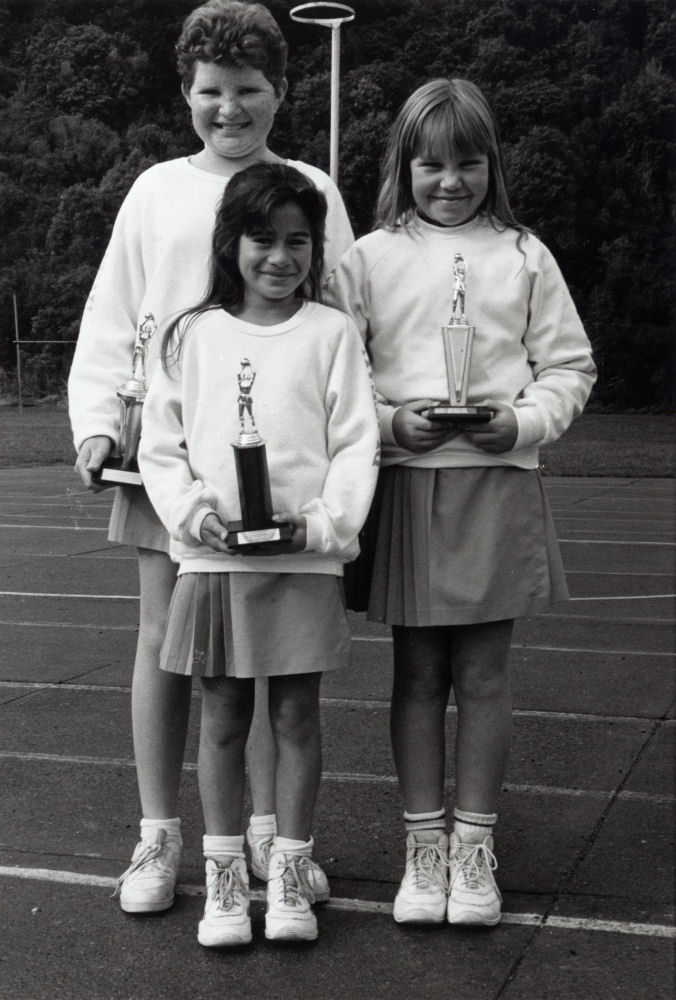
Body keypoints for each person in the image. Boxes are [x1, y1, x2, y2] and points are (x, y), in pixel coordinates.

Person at [67, 0, 354, 916]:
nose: (230, 109)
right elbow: (114, 314)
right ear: (186, 91)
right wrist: (95, 424)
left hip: (283, 462)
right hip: (172, 458)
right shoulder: (155, 190)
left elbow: (349, 308)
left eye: (250, 91)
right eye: (211, 91)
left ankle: (270, 833)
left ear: (281, 91)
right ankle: (159, 835)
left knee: (269, 653)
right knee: (167, 640)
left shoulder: (308, 183)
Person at [327, 78, 596, 928]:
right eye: (431, 165)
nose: (450, 181)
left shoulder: (524, 254)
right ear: (403, 167)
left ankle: (474, 848)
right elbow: (337, 378)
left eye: (468, 164)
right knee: (417, 675)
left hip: (495, 482)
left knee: (482, 674)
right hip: (407, 483)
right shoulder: (367, 257)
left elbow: (571, 368)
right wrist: (388, 424)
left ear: (492, 165)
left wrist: (518, 423)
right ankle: (425, 846)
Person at [137, 162, 379, 945]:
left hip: (302, 558)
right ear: (230, 243)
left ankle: (290, 877)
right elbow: (162, 448)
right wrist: (193, 515)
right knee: (223, 717)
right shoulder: (192, 334)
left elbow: (355, 445)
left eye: (298, 241)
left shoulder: (332, 333)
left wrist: (323, 523)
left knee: (298, 715)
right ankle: (224, 883)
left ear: (317, 248)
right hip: (214, 563)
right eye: (262, 239)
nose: (280, 257)